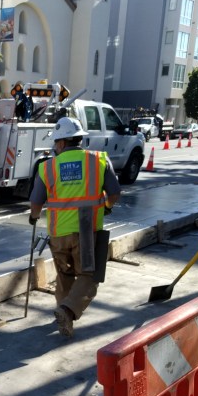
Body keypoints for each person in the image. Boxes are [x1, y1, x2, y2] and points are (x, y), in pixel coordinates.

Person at [28, 116, 121, 338]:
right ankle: (67, 310)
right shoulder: (98, 160)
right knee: (90, 277)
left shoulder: (48, 167)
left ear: (61, 142)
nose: (55, 147)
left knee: (65, 276)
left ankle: (65, 319)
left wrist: (34, 217)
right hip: (87, 233)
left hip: (58, 234)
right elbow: (114, 193)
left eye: (56, 143)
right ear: (79, 139)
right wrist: (107, 207)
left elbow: (36, 202)